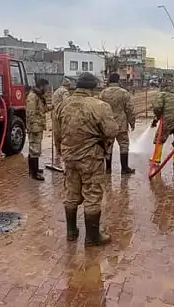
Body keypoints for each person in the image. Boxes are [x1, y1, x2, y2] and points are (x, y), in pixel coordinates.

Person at [54, 72, 118, 247]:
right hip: (90, 158)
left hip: (70, 157)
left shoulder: (61, 106)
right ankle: (92, 237)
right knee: (93, 194)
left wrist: (61, 152)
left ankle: (71, 232)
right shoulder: (100, 106)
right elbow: (111, 131)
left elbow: (57, 133)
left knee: (71, 193)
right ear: (93, 88)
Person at [99, 73, 136, 174]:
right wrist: (132, 122)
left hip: (107, 124)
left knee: (108, 145)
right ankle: (124, 168)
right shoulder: (124, 93)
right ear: (118, 81)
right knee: (124, 144)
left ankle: (108, 168)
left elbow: (98, 109)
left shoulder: (103, 93)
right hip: (121, 124)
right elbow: (129, 109)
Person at [150, 76, 174, 165]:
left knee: (159, 138)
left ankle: (157, 158)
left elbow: (157, 107)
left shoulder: (162, 94)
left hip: (168, 120)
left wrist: (157, 117)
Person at [25, 78, 50, 181]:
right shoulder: (33, 96)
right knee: (34, 150)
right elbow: (30, 113)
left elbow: (42, 109)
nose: (47, 89)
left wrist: (53, 107)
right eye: (46, 87)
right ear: (41, 86)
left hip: (38, 126)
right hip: (34, 127)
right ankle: (34, 173)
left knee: (36, 149)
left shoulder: (39, 96)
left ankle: (34, 169)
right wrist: (33, 127)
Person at [51, 78, 72, 166]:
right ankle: (63, 155)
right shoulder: (65, 92)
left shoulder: (56, 91)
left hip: (54, 114)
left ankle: (57, 154)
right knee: (64, 135)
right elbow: (66, 103)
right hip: (62, 115)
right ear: (67, 85)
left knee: (56, 134)